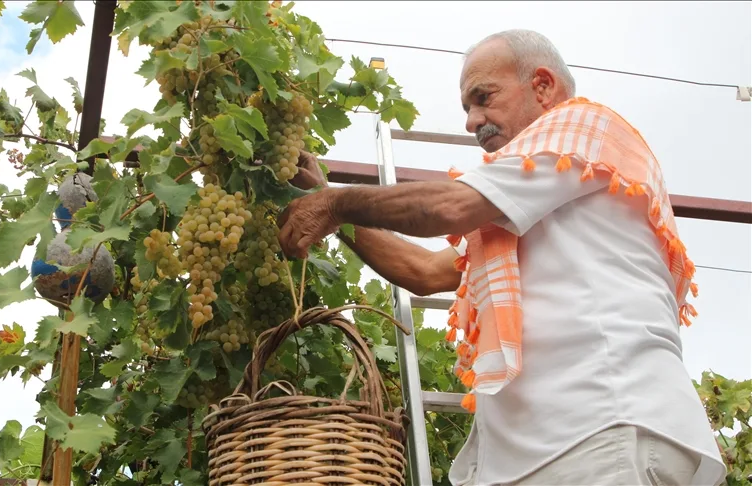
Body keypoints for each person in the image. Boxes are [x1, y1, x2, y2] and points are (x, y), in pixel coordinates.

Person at [280, 30, 727, 486]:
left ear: (543, 86)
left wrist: (335, 204)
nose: (472, 122)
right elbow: (423, 271)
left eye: (483, 98)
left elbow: (449, 207)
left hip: (603, 423)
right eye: (466, 108)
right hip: (555, 446)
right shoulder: (522, 206)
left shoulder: (583, 129)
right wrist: (326, 200)